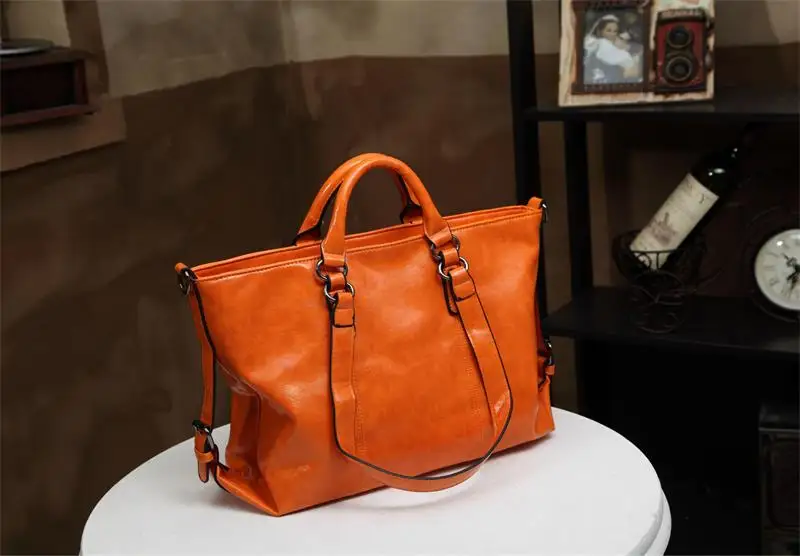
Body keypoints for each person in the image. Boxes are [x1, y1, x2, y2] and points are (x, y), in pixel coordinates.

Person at [583, 14, 642, 85]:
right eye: (608, 30)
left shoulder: (617, 46)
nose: (612, 34)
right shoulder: (597, 43)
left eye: (615, 31)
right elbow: (626, 61)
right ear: (600, 31)